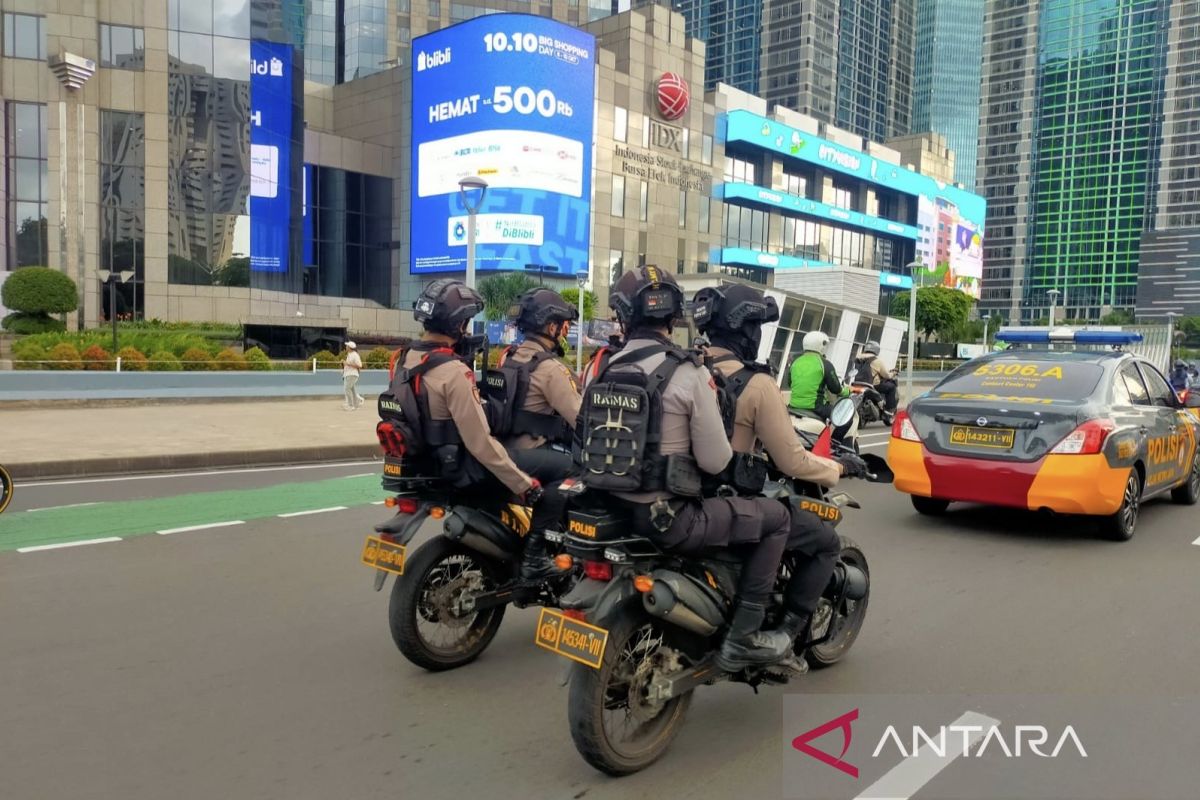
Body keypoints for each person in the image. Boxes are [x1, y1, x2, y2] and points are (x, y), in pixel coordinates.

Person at [577, 265, 795, 673]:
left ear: (622, 314)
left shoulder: (598, 367)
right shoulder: (688, 372)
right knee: (778, 519)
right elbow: (716, 461)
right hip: (670, 520)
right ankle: (744, 636)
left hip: (609, 508)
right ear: (674, 317)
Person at [693, 284, 865, 663]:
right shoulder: (756, 384)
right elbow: (791, 462)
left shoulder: (684, 371)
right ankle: (784, 633)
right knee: (823, 540)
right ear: (748, 331)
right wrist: (838, 466)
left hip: (684, 498)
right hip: (729, 504)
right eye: (757, 327)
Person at [402, 279, 565, 582]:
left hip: (432, 462)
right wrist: (524, 485)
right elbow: (481, 444)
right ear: (458, 323)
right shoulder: (454, 372)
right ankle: (535, 556)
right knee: (567, 470)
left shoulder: (404, 360)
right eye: (466, 322)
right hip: (466, 466)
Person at [492, 288, 583, 451]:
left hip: (504, 451)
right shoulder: (550, 369)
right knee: (579, 468)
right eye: (562, 326)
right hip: (531, 455)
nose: (564, 332)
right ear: (552, 328)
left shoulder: (509, 358)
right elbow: (581, 419)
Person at [788, 331, 849, 420]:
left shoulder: (795, 362)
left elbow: (790, 383)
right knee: (843, 417)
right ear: (821, 346)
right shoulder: (825, 364)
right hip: (816, 408)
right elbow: (835, 389)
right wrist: (847, 392)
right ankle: (833, 435)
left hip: (793, 406)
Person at [853, 340, 898, 418]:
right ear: (876, 349)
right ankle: (889, 411)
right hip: (872, 385)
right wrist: (893, 374)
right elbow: (886, 375)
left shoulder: (857, 358)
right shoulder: (877, 360)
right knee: (891, 387)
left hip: (857, 384)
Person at [342, 341, 363, 411]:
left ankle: (350, 405)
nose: (346, 347)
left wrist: (347, 364)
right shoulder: (349, 354)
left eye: (347, 346)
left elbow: (360, 365)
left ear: (350, 348)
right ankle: (356, 405)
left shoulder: (355, 355)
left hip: (352, 374)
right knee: (352, 390)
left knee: (347, 389)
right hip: (348, 374)